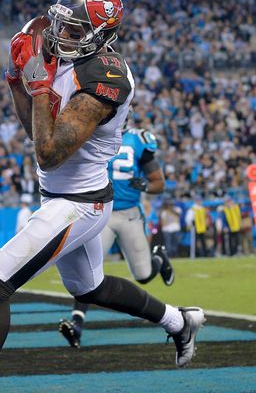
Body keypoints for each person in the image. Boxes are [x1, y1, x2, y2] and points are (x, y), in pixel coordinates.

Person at [0, 0, 205, 393]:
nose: (59, 36)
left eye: (73, 31)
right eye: (60, 24)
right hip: (59, 194)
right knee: (90, 287)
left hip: (81, 202)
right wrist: (18, 82)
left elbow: (50, 153)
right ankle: (180, 322)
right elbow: (35, 132)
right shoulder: (53, 42)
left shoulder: (107, 76)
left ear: (102, 35)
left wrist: (37, 88)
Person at [59, 126, 174, 348]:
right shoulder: (90, 132)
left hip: (130, 214)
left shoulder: (139, 140)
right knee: (88, 271)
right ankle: (77, 323)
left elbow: (159, 183)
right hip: (101, 211)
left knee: (143, 274)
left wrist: (146, 187)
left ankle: (159, 258)